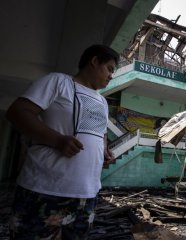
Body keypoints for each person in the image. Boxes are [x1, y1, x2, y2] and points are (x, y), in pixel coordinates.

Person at [6, 44, 119, 239]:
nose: (111, 75)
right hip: (45, 189)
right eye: (109, 68)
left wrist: (105, 152)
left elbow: (100, 135)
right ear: (94, 61)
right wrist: (57, 140)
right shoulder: (57, 81)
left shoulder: (102, 101)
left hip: (87, 193)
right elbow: (17, 112)